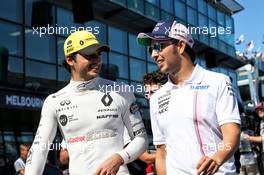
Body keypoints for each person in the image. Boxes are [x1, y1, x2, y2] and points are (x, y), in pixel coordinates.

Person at [24, 30, 148, 175]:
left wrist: (119, 158)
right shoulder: (54, 101)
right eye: (89, 56)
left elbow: (141, 139)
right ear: (70, 60)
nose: (97, 61)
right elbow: (39, 149)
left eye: (99, 55)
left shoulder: (121, 90)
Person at [137, 20, 241, 175]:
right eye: (150, 49)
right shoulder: (157, 97)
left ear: (180, 46)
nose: (153, 54)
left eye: (159, 46)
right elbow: (162, 153)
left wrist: (217, 158)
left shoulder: (217, 81)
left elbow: (232, 133)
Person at [244, 102, 264, 171]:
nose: (259, 111)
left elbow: (263, 138)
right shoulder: (261, 122)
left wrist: (249, 138)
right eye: (257, 110)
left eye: (261, 109)